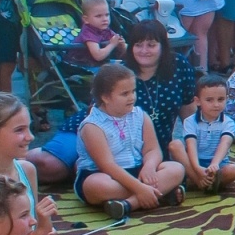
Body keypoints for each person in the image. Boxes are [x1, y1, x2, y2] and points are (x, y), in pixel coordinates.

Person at [75, 64, 187, 220]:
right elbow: (107, 165)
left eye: (133, 91)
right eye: (125, 93)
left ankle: (129, 204)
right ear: (105, 97)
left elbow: (153, 150)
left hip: (138, 171)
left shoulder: (140, 115)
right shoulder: (92, 126)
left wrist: (149, 166)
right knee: (96, 185)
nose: (132, 97)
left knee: (176, 168)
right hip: (107, 175)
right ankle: (160, 194)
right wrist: (139, 188)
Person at [120, 20, 198, 155]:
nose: (144, 51)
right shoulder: (121, 74)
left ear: (163, 46)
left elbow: (188, 110)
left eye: (151, 45)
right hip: (125, 150)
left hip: (162, 149)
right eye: (138, 45)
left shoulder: (179, 65)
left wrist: (196, 148)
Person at [169, 75, 235, 194]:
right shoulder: (190, 121)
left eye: (220, 99)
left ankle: (196, 183)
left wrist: (214, 164)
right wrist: (197, 168)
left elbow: (225, 144)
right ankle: (199, 181)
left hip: (217, 164)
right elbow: (191, 145)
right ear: (198, 101)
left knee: (233, 170)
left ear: (227, 99)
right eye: (209, 100)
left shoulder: (228, 122)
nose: (216, 104)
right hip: (194, 163)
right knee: (175, 145)